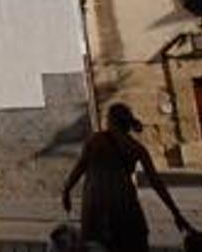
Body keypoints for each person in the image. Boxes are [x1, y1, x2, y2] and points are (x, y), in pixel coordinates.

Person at [62, 102, 193, 252]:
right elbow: (156, 182)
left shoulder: (95, 141)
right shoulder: (136, 148)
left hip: (95, 207)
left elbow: (79, 168)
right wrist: (176, 213)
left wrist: (66, 190)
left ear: (110, 120)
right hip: (124, 205)